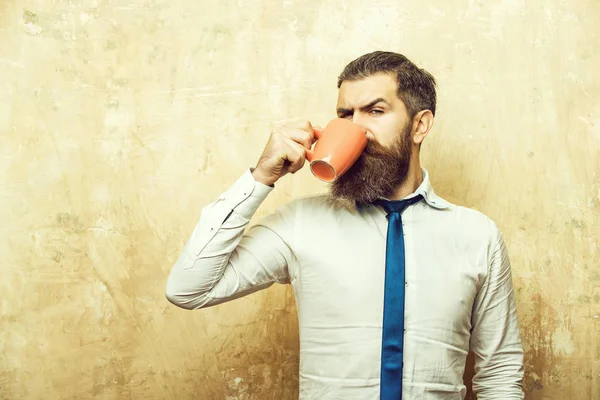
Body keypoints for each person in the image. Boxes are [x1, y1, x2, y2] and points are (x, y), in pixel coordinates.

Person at [165, 51, 524, 399]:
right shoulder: (300, 224)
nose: (357, 129)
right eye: (345, 115)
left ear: (420, 125)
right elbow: (189, 289)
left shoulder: (478, 237)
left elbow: (500, 373)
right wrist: (261, 177)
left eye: (375, 111)